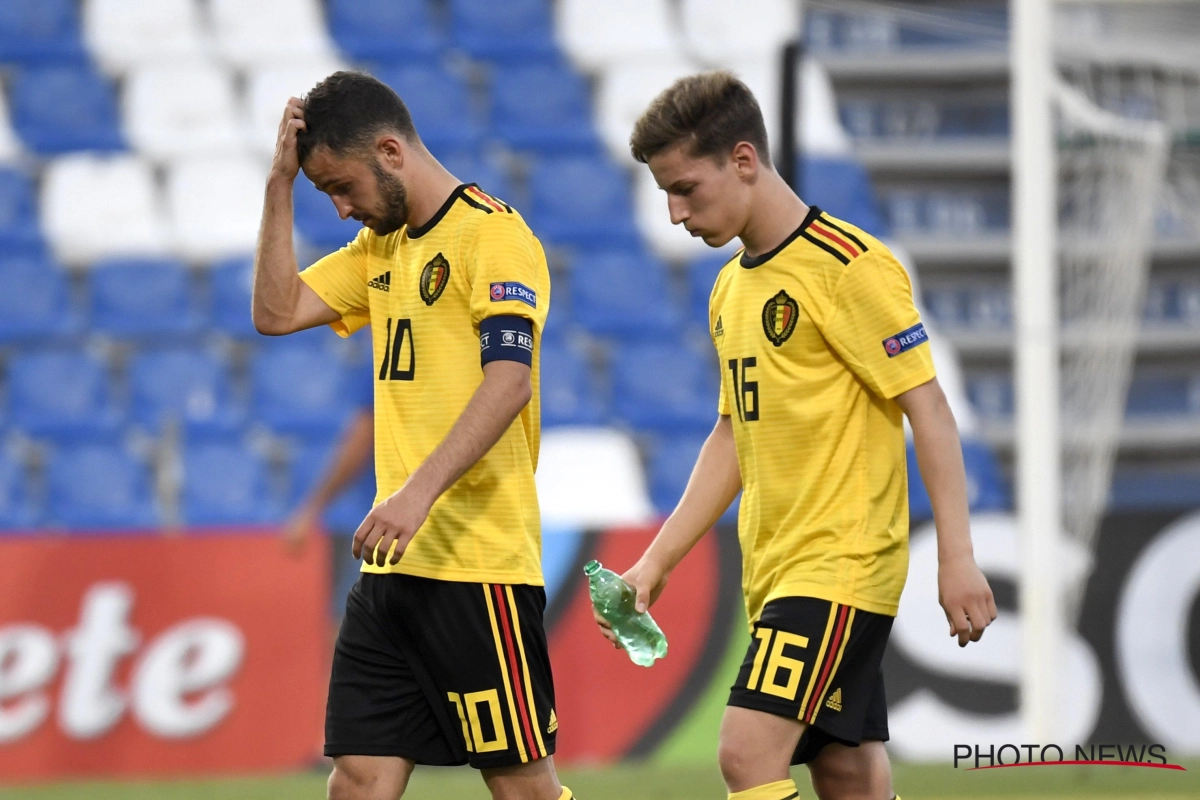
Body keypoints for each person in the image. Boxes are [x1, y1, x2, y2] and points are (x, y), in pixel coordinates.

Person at [595, 72, 997, 800]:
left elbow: (929, 409)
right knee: (847, 772)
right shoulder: (729, 290)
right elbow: (731, 437)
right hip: (775, 570)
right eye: (664, 193)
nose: (674, 212)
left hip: (838, 566)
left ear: (743, 161)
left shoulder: (850, 268)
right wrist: (655, 563)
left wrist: (958, 558)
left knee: (747, 755)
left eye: (686, 188)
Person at [252, 71, 570, 800]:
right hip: (393, 572)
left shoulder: (493, 236)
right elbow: (275, 312)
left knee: (523, 787)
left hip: (477, 565)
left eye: (341, 186)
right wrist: (278, 187)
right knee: (358, 779)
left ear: (391, 151)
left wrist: (415, 494)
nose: (338, 210)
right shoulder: (380, 249)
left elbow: (509, 382)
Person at [284, 367, 374, 621]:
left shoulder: (385, 350)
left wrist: (312, 507)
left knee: (354, 625)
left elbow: (360, 441)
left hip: (372, 519)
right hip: (386, 513)